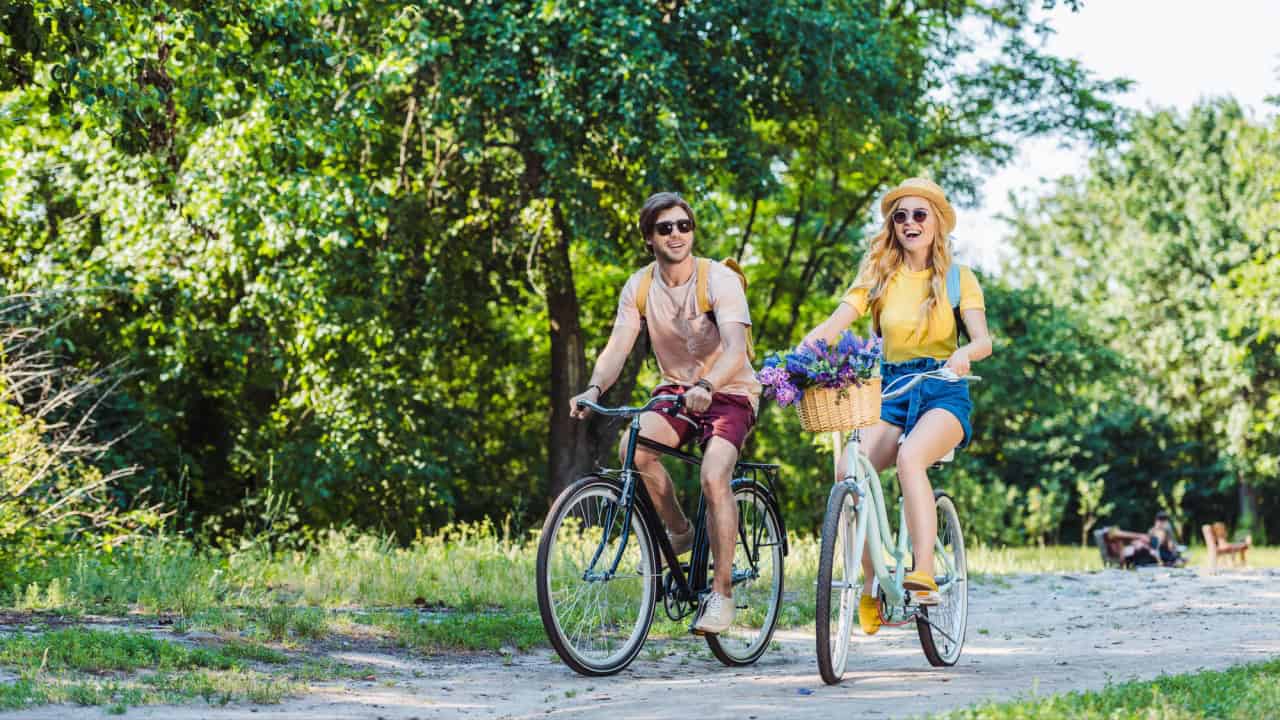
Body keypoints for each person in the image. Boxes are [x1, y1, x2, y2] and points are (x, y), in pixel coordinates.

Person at [800, 178, 992, 635]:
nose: (909, 223)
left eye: (919, 215)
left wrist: (965, 353)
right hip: (889, 388)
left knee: (911, 459)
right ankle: (868, 581)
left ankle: (922, 569)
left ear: (936, 223)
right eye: (900, 216)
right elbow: (836, 323)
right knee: (850, 466)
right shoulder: (878, 275)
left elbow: (984, 339)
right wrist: (799, 356)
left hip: (943, 388)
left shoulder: (957, 278)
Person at [568, 192, 760, 635]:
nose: (676, 234)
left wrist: (708, 385)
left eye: (683, 226)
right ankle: (680, 531)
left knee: (714, 476)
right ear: (649, 239)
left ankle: (722, 594)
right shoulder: (639, 286)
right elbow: (618, 346)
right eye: (664, 228)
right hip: (676, 390)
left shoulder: (719, 280)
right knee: (633, 451)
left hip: (729, 390)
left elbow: (734, 349)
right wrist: (594, 388)